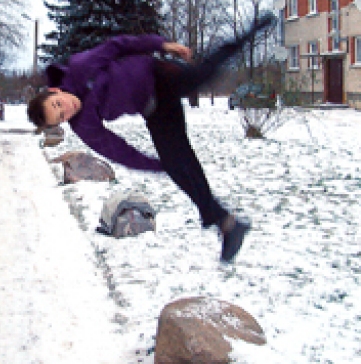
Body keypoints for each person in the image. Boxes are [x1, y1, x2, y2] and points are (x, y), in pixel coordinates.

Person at [27, 18, 273, 263]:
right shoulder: (83, 125)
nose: (67, 109)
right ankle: (228, 224)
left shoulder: (81, 68)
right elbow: (117, 150)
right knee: (177, 164)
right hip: (153, 108)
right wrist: (155, 164)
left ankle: (251, 32)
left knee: (203, 74)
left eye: (58, 104)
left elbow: (120, 45)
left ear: (55, 91)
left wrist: (162, 44)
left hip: (159, 76)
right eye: (61, 116)